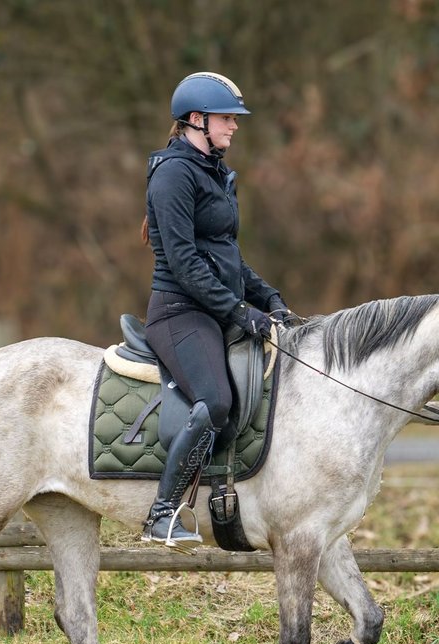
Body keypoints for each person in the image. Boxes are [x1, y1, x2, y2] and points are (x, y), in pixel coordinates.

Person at [140, 72, 295, 551]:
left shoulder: (214, 172)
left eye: (233, 118)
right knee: (218, 400)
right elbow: (186, 264)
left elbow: (227, 255)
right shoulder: (172, 174)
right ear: (196, 120)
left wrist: (267, 297)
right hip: (178, 311)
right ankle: (162, 513)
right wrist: (239, 312)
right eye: (227, 118)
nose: (234, 127)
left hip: (213, 309)